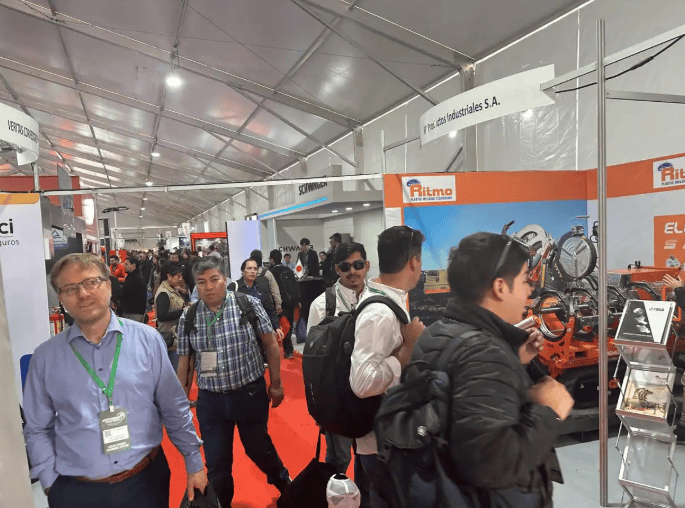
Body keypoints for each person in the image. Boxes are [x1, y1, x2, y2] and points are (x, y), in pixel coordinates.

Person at [23, 253, 208, 508]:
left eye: (91, 282)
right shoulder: (45, 357)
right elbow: (36, 428)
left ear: (109, 285)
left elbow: (173, 407)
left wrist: (194, 462)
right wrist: (50, 482)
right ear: (61, 299)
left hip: (145, 483)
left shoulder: (147, 340)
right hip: (76, 491)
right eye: (70, 288)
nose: (83, 294)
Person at [411, 232, 574, 507]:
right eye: (524, 280)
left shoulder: (437, 333)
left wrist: (514, 360)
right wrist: (548, 410)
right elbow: (495, 465)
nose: (529, 291)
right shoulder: (484, 354)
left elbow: (461, 413)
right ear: (500, 287)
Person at [176, 257, 291, 507]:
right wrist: (179, 399)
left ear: (225, 279)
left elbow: (270, 344)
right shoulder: (189, 316)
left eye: (214, 279)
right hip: (211, 401)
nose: (209, 287)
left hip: (248, 394)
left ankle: (286, 484)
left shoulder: (247, 305)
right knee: (217, 464)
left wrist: (276, 384)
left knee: (259, 449)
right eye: (202, 282)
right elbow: (185, 361)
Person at [349, 226, 426, 508]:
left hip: (386, 436)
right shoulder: (379, 313)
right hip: (381, 442)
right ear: (413, 262)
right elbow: (362, 383)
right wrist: (406, 351)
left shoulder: (386, 300)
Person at [307, 242, 371, 507]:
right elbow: (312, 361)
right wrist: (318, 408)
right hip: (338, 399)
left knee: (369, 460)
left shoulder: (378, 298)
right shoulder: (322, 305)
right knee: (339, 461)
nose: (352, 271)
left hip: (370, 393)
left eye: (358, 265)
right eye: (345, 267)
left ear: (367, 265)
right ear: (336, 269)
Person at [229, 259, 284, 342]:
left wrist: (276, 327)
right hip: (242, 332)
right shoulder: (234, 287)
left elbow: (269, 308)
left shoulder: (262, 286)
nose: (252, 271)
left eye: (255, 269)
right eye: (249, 268)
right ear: (243, 271)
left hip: (261, 331)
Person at [155, 262, 188, 370]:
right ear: (169, 276)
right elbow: (162, 316)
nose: (180, 279)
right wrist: (183, 311)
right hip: (170, 338)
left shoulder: (171, 289)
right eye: (178, 276)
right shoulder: (164, 293)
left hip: (176, 337)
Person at [268, 250, 297, 359]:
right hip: (291, 301)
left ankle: (287, 349)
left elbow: (273, 289)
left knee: (283, 325)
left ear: (272, 259)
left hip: (281, 302)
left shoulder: (272, 272)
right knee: (289, 324)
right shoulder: (288, 269)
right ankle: (289, 350)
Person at [114, 256, 148, 322]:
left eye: (127, 264)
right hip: (134, 311)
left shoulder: (135, 278)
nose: (124, 266)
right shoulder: (133, 276)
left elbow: (124, 292)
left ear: (133, 265)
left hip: (133, 312)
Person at [250, 249, 283, 317]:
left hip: (251, 308)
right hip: (266, 308)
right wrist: (278, 305)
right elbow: (275, 291)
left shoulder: (247, 274)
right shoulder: (267, 274)